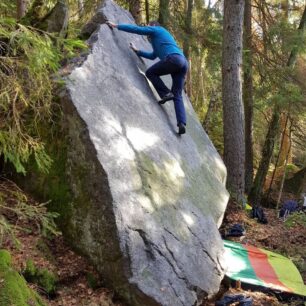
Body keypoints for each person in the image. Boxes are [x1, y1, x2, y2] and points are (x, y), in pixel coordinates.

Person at [106, 20, 188, 135]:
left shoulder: (157, 29)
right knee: (178, 94)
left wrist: (117, 26)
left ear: (153, 26)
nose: (147, 29)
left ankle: (165, 93)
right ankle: (181, 123)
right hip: (182, 63)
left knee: (150, 73)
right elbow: (152, 56)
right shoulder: (158, 40)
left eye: (148, 27)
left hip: (174, 59)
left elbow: (137, 30)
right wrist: (137, 51)